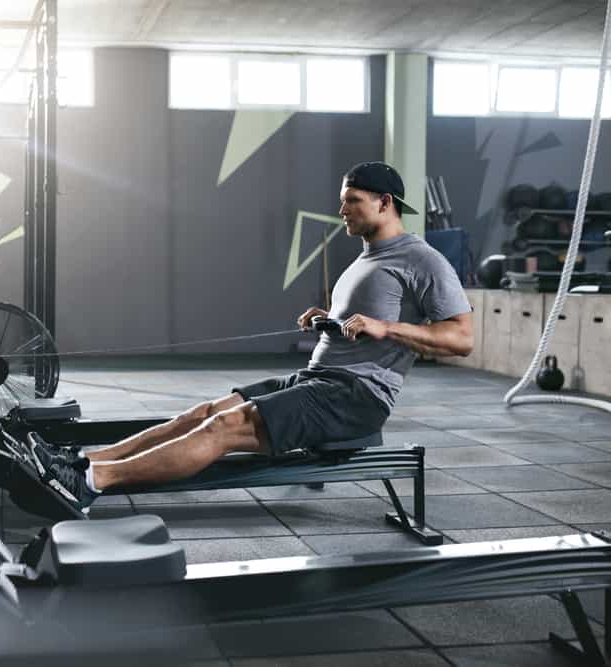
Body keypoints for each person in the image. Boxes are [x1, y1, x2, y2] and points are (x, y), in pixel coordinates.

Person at [37, 161, 474, 511]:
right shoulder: (368, 258)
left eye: (351, 202)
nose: (342, 211)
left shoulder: (422, 259)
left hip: (355, 397)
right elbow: (361, 323)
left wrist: (386, 327)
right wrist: (329, 317)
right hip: (316, 380)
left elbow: (461, 338)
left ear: (384, 202)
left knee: (225, 427)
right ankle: (84, 461)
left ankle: (93, 482)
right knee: (201, 413)